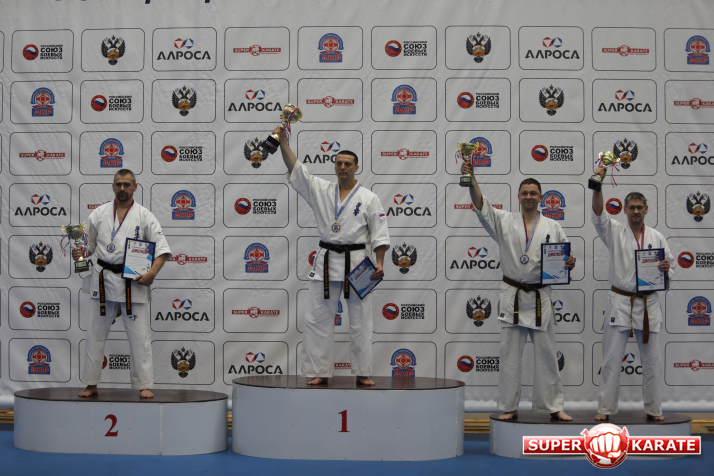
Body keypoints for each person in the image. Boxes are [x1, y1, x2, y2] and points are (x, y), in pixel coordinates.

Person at [461, 160, 576, 421]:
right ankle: (509, 406)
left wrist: (569, 262)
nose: (528, 197)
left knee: (547, 354)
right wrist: (471, 178)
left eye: (533, 193)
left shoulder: (553, 226)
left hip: (540, 297)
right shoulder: (504, 220)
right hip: (512, 296)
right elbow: (481, 205)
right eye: (524, 193)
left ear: (541, 197)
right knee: (509, 355)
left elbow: (564, 257)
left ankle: (554, 406)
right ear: (518, 196)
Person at [276, 125, 390, 386]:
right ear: (335, 167)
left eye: (348, 164)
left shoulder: (369, 198)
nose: (342, 167)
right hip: (327, 261)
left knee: (361, 320)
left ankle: (363, 371)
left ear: (356, 167)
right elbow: (297, 169)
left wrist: (380, 263)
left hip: (358, 263)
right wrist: (283, 143)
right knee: (317, 318)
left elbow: (380, 233)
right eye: (338, 163)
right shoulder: (321, 190)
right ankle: (319, 370)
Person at [73, 169, 171, 398]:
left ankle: (143, 384)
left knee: (140, 336)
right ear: (113, 186)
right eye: (118, 184)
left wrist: (152, 274)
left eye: (127, 184)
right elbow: (89, 245)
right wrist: (80, 253)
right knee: (95, 334)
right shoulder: (99, 214)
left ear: (135, 187)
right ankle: (91, 382)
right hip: (103, 279)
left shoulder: (145, 216)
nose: (122, 188)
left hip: (133, 282)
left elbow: (162, 249)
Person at [591, 165, 673, 421]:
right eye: (632, 207)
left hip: (648, 303)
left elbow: (669, 268)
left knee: (652, 361)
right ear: (624, 210)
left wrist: (666, 269)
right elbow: (598, 214)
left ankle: (654, 409)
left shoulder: (657, 238)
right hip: (621, 301)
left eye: (640, 207)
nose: (636, 211)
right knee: (612, 358)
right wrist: (598, 184)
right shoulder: (614, 231)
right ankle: (605, 408)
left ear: (646, 209)